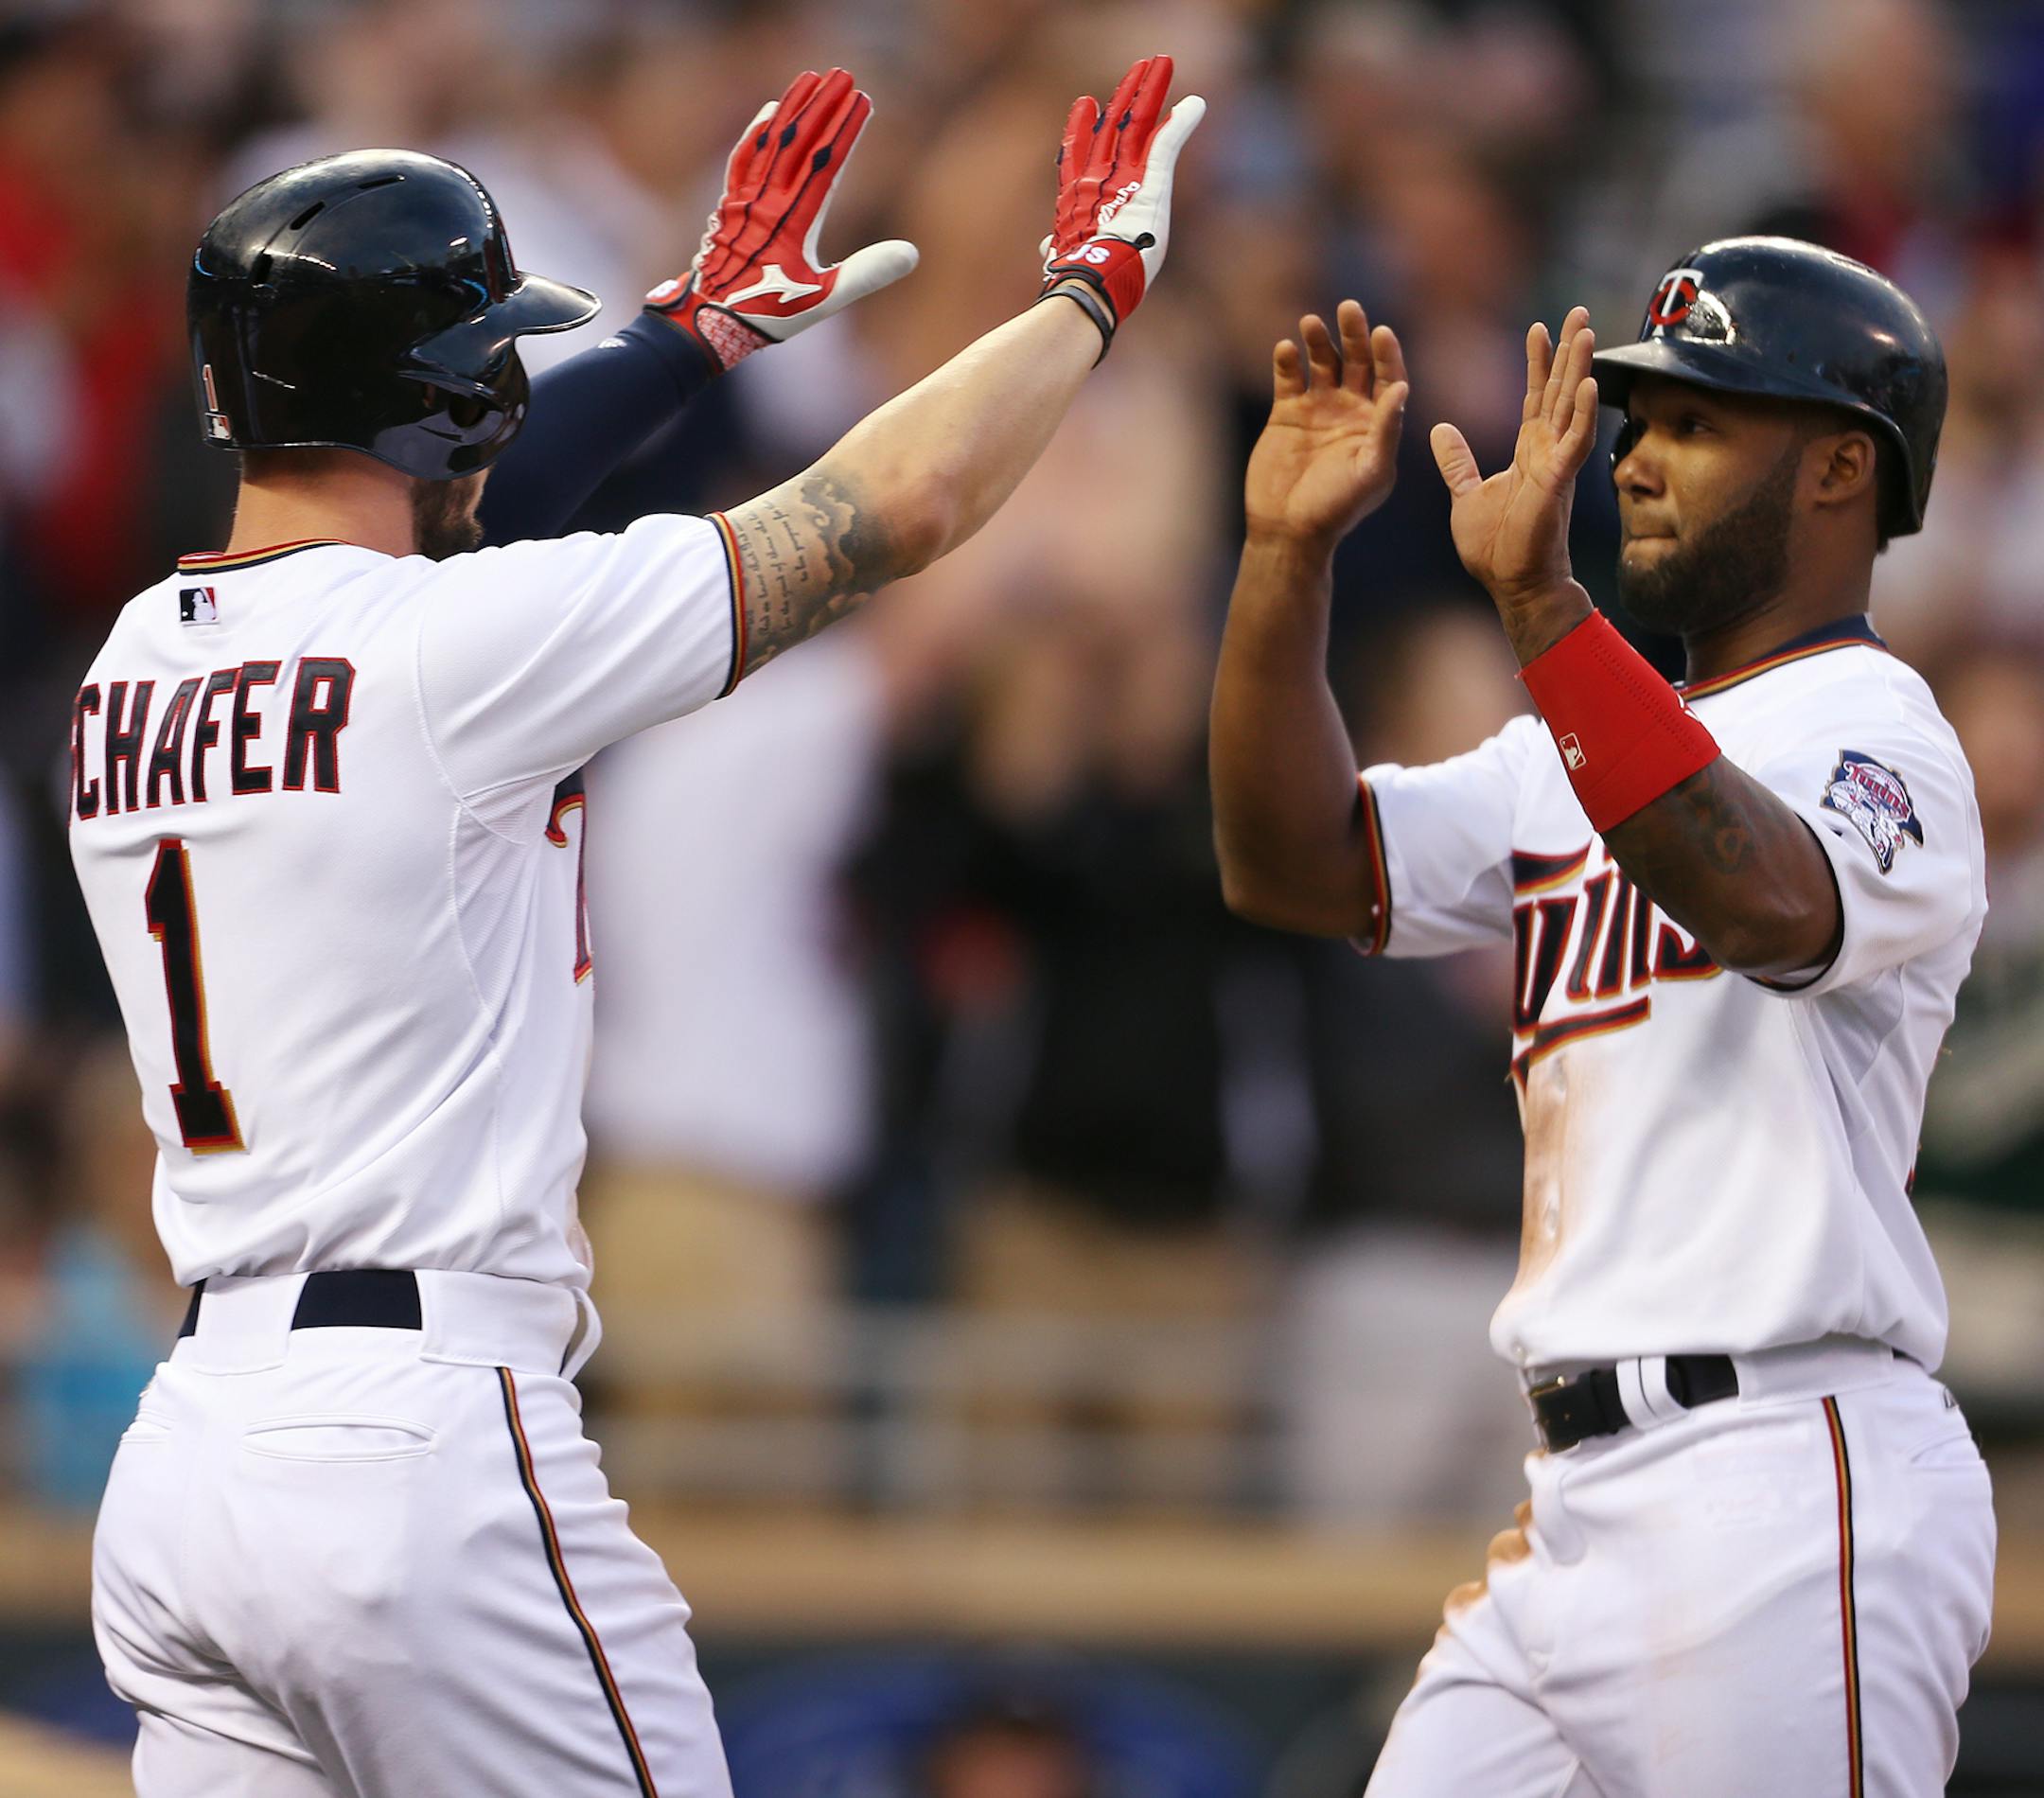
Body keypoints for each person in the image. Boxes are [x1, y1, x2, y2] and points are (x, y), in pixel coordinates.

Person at [68, 56, 1204, 1798]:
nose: (511, 397)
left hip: (193, 1459)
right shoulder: (458, 651)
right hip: (421, 1436)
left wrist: (693, 340)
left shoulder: (130, 665)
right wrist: (1085, 303)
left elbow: (423, 538)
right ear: (444, 405)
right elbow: (895, 511)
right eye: (488, 372)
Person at [1210, 238, 1996, 1793]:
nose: (1636, 456)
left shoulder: (1886, 737)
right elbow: (1290, 863)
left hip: (1787, 1469)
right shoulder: (1568, 742)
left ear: (1844, 467)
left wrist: (1543, 607)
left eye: (1699, 421)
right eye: (1637, 420)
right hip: (1575, 1498)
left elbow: (1765, 897)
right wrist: (1286, 559)